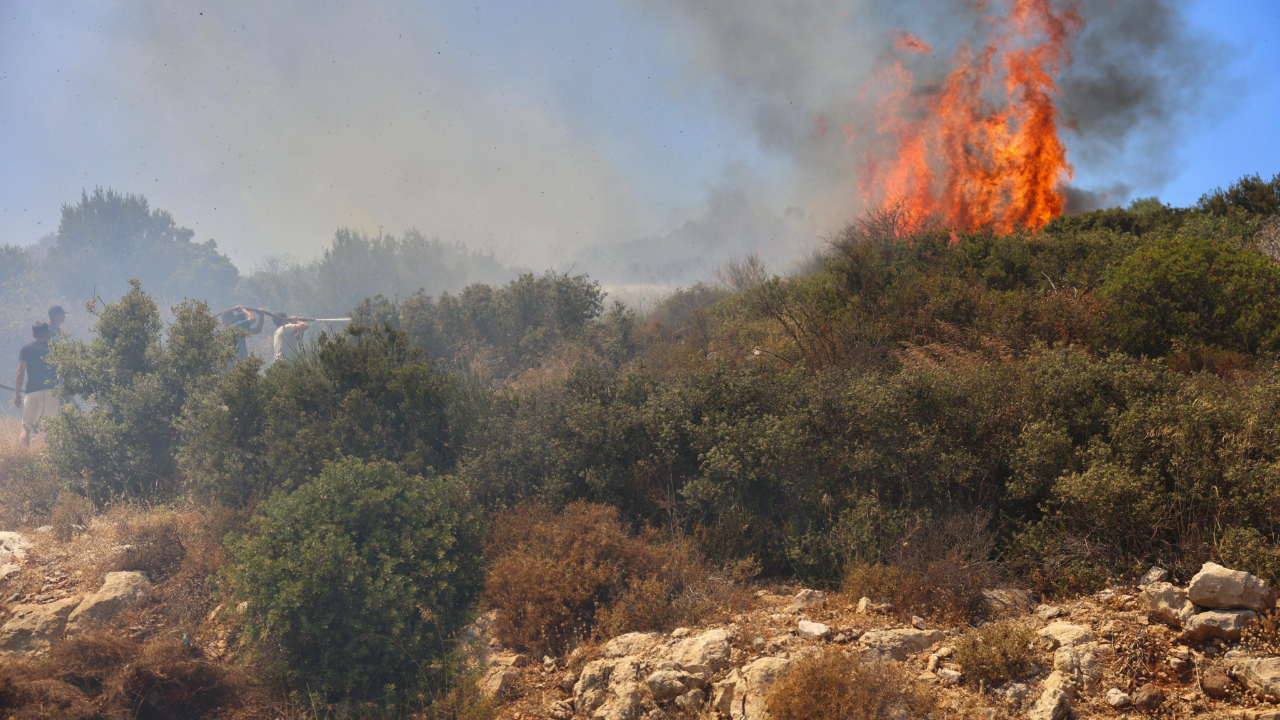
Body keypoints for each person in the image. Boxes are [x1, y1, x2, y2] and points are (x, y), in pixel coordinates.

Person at [13, 322, 59, 446]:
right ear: (48, 333)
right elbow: (63, 371)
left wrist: (17, 394)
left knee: (27, 428)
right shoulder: (55, 348)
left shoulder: (27, 349)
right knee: (52, 427)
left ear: (33, 335)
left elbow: (20, 373)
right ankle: (52, 458)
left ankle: (23, 457)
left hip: (33, 391)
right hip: (52, 391)